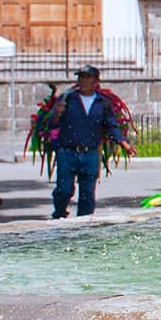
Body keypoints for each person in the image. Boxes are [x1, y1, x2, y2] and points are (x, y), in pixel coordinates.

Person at [45, 66, 126, 218]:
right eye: (81, 77)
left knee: (87, 194)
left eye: (87, 77)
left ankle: (84, 224)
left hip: (90, 154)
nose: (83, 81)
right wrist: (57, 113)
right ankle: (60, 213)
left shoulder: (103, 103)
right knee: (64, 189)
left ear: (96, 81)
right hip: (68, 152)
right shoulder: (67, 98)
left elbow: (111, 125)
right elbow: (52, 124)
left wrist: (123, 142)